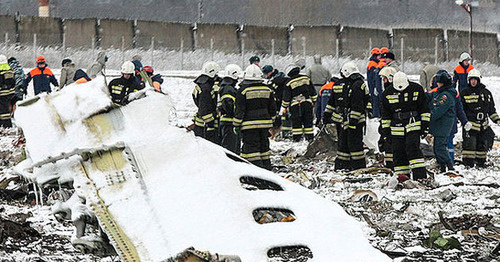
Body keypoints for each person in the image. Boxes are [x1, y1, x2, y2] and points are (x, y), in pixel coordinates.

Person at [381, 72, 430, 180]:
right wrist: (385, 132)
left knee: (413, 148)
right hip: (396, 127)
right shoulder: (387, 93)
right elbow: (385, 115)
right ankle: (402, 178)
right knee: (398, 152)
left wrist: (425, 126)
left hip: (413, 124)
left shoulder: (417, 89)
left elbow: (425, 109)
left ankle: (420, 177)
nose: (401, 91)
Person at [328, 62, 369, 171]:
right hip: (350, 120)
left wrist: (326, 116)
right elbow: (362, 104)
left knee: (345, 144)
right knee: (351, 144)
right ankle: (355, 166)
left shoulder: (340, 84)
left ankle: (344, 166)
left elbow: (332, 103)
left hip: (345, 120)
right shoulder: (359, 84)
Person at [233, 64, 276, 170]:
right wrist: (272, 122)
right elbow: (272, 108)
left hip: (249, 125)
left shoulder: (243, 91)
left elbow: (239, 110)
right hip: (265, 124)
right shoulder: (268, 90)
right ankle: (266, 167)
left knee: (251, 149)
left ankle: (255, 170)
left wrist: (236, 125)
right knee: (264, 146)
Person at [460, 69, 500, 167]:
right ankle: (468, 165)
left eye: (475, 79)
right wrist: (463, 121)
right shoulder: (464, 93)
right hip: (470, 125)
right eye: (471, 80)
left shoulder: (486, 93)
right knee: (469, 146)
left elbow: (491, 110)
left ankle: (481, 163)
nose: (473, 82)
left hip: (483, 126)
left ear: (478, 80)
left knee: (482, 147)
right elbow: (460, 109)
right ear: (468, 80)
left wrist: (497, 120)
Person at [281, 63, 317, 142]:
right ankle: (310, 139)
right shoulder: (306, 78)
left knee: (296, 123)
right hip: (307, 103)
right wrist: (314, 101)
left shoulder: (288, 83)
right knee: (308, 121)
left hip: (295, 105)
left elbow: (286, 98)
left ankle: (297, 140)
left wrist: (285, 107)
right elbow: (313, 91)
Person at [429, 70, 456, 173]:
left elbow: (438, 111)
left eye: (439, 82)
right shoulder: (440, 93)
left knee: (440, 148)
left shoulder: (445, 96)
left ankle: (449, 166)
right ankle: (443, 167)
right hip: (440, 126)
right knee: (438, 148)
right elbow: (430, 96)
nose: (437, 84)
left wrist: (427, 118)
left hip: (443, 126)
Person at [192, 61, 220, 143]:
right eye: (216, 73)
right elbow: (204, 107)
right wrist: (210, 123)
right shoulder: (206, 88)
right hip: (205, 126)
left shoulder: (201, 84)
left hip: (201, 123)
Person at [217, 64, 242, 154]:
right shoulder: (228, 89)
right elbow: (228, 105)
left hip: (227, 122)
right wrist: (237, 114)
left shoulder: (226, 87)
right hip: (229, 122)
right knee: (231, 149)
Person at [377, 66, 398, 169]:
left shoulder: (389, 92)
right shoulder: (387, 91)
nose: (383, 81)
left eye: (384, 79)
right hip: (389, 124)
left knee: (391, 145)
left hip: (393, 125)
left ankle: (391, 165)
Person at [262, 65, 291, 138]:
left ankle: (277, 134)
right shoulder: (282, 78)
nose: (266, 75)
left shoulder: (274, 81)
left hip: (278, 101)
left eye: (266, 73)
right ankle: (283, 133)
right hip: (285, 100)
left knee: (278, 118)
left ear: (270, 72)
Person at [0, 54, 15, 128]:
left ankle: (5, 125)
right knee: (6, 109)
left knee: (3, 111)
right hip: (10, 93)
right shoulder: (10, 71)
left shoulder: (1, 71)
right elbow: (13, 82)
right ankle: (7, 124)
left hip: (2, 93)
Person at [367, 48, 381, 118]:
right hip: (373, 85)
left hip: (372, 85)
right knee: (375, 100)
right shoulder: (373, 64)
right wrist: (375, 86)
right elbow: (373, 77)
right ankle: (375, 115)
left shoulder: (372, 63)